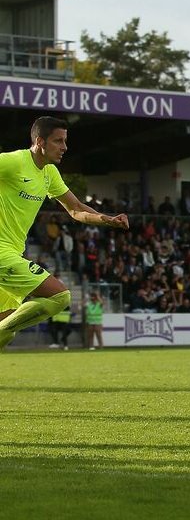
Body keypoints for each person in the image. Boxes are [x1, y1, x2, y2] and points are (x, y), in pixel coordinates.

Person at [0, 117, 129, 351]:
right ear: (40, 142)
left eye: (65, 141)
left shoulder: (49, 173)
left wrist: (106, 219)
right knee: (59, 297)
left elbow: (76, 209)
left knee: (4, 333)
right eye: (58, 141)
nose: (64, 147)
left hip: (13, 252)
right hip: (1, 252)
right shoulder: (12, 162)